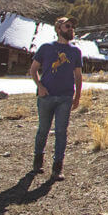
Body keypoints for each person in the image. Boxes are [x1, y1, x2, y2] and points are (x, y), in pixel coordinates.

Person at [29, 16, 83, 180]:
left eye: (72, 26)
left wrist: (77, 96)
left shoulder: (75, 52)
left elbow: (78, 76)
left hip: (65, 97)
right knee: (43, 130)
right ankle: (38, 161)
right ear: (58, 29)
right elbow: (33, 70)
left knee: (61, 132)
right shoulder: (46, 48)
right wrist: (40, 87)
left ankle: (57, 168)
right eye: (68, 26)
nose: (71, 29)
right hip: (46, 96)